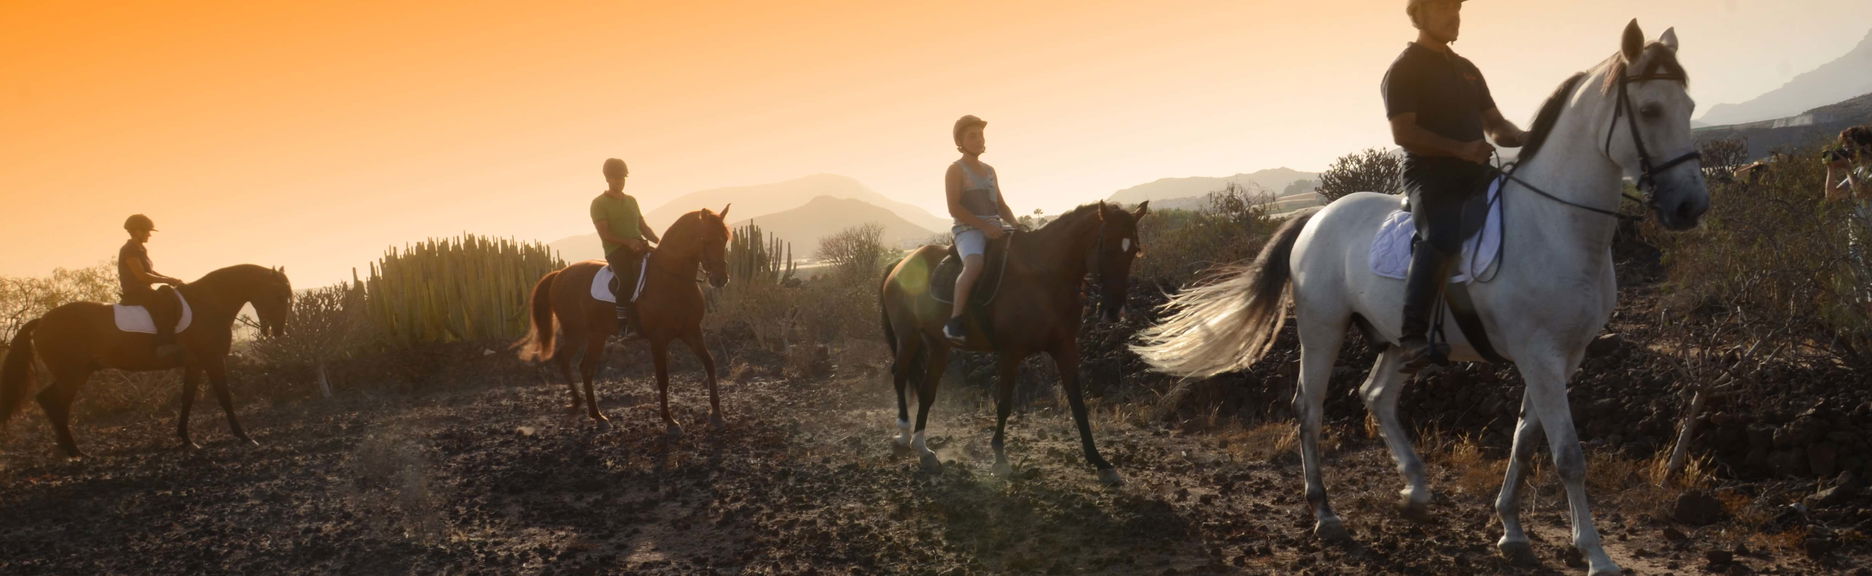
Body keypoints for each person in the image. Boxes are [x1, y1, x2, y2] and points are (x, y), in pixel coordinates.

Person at [1382, 0, 1528, 371]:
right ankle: (1412, 337)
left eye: (1457, 9)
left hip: (1475, 170)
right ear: (1419, 16)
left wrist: (1529, 137)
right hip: (1430, 176)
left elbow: (1494, 124)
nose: (1453, 17)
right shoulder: (1404, 70)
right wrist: (1461, 149)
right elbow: (1404, 133)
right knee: (1442, 235)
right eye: (1443, 9)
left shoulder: (1467, 69)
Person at [943, 115, 1020, 344]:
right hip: (969, 230)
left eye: (981, 134)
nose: (979, 139)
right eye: (972, 135)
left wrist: (1015, 225)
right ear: (961, 141)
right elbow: (954, 207)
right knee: (975, 264)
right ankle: (954, 322)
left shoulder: (990, 171)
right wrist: (984, 226)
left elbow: (1001, 205)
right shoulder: (955, 170)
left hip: (996, 228)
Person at [591, 158, 660, 336]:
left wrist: (659, 242)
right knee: (627, 280)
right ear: (607, 179)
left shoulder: (631, 200)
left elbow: (643, 227)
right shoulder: (599, 203)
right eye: (616, 178)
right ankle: (623, 325)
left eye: (622, 178)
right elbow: (605, 234)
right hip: (616, 251)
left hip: (639, 246)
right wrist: (628, 242)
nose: (620, 182)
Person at [118, 214, 187, 358]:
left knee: (168, 292)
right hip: (135, 292)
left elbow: (150, 272)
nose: (149, 234)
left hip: (143, 290)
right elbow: (141, 276)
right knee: (164, 302)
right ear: (137, 231)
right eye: (147, 231)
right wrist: (167, 280)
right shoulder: (130, 249)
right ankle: (164, 344)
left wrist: (170, 279)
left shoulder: (140, 249)